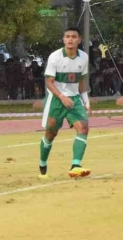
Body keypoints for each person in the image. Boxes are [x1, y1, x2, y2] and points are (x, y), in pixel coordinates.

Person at [39, 27, 92, 180]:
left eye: (74, 37)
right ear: (63, 40)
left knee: (83, 128)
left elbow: (81, 81)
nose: (70, 40)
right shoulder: (55, 57)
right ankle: (42, 163)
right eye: (67, 37)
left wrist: (86, 101)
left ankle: (75, 165)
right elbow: (49, 82)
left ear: (79, 40)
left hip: (74, 98)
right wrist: (61, 96)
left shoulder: (84, 57)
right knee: (51, 134)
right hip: (56, 99)